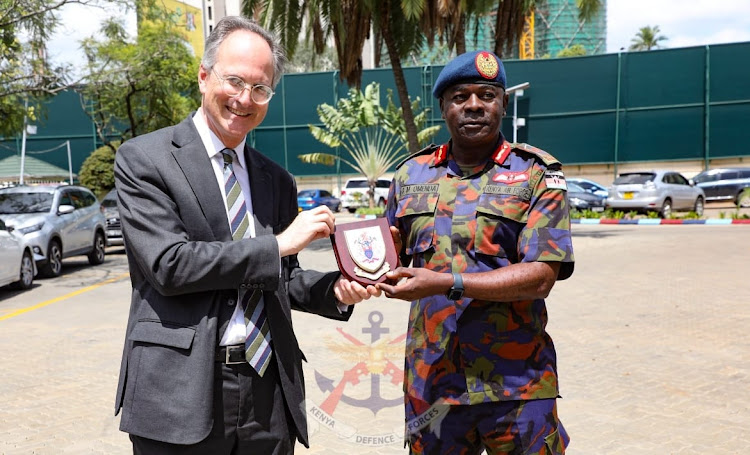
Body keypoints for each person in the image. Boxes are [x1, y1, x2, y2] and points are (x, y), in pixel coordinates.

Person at [113, 16, 378, 454]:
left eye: (260, 89)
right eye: (233, 81)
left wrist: (338, 289)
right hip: (180, 390)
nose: (244, 99)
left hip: (268, 391)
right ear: (203, 77)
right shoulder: (146, 160)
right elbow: (169, 265)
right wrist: (278, 244)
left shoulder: (276, 180)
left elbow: (282, 276)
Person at [378, 50, 575, 455]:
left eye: (486, 95)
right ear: (444, 107)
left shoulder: (537, 172)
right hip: (432, 381)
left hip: (517, 380)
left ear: (502, 103)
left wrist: (448, 282)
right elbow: (387, 257)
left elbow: (541, 276)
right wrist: (365, 262)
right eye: (460, 96)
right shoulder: (411, 174)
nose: (473, 105)